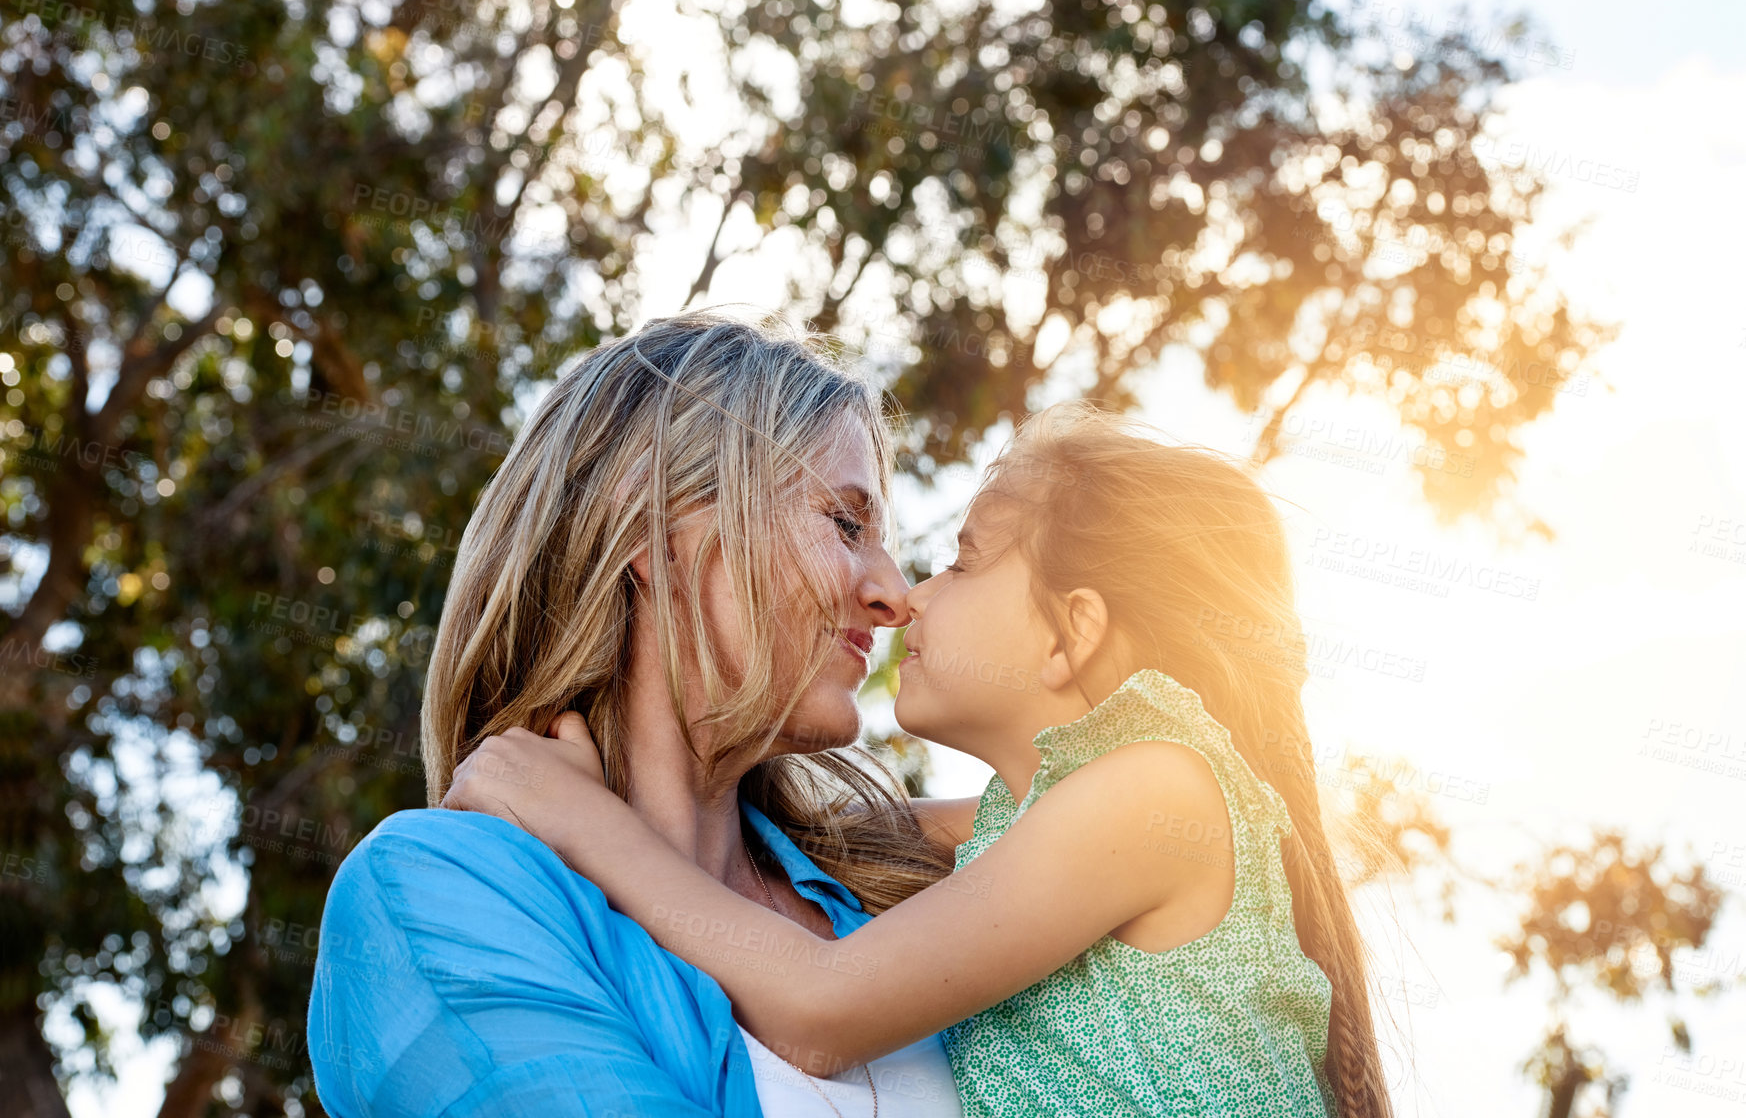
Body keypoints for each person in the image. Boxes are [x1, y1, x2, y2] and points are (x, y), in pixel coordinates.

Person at [446, 402, 1397, 1118]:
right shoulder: (1036, 824)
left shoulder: (1154, 792)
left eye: (965, 560)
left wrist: (580, 823)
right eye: (852, 531)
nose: (909, 597)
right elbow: (797, 842)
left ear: (1072, 636)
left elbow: (822, 1010)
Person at [307, 310, 966, 1117]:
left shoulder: (900, 890)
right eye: (845, 522)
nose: (894, 594)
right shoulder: (432, 894)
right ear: (660, 530)